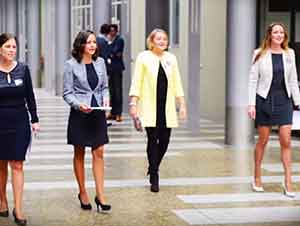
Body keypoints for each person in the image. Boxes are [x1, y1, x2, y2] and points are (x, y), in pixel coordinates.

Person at [129, 28, 186, 192]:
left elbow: (177, 82)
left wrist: (182, 104)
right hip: (148, 106)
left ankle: (153, 165)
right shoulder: (143, 57)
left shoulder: (171, 58)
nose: (162, 41)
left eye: (165, 39)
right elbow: (137, 81)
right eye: (159, 39)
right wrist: (133, 103)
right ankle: (154, 174)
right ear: (151, 41)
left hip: (166, 107)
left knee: (165, 140)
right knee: (152, 139)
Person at [248, 22, 300, 198]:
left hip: (284, 101)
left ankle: (288, 182)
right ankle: (256, 176)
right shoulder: (259, 53)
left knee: (286, 140)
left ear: (284, 36)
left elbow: (293, 79)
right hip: (264, 100)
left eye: (282, 32)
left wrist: (298, 102)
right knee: (263, 140)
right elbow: (253, 80)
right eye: (275, 32)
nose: (279, 35)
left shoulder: (289, 53)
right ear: (269, 35)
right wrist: (251, 104)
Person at [63, 30, 111, 212]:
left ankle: (101, 195)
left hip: (97, 113)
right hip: (80, 114)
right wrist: (78, 105)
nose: (92, 45)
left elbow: (105, 87)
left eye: (94, 42)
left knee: (99, 152)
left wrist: (106, 99)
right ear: (81, 45)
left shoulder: (100, 63)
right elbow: (67, 93)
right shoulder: (70, 65)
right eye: (89, 42)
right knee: (80, 153)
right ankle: (83, 191)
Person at [0, 33, 39, 226]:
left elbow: (30, 96)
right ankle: (2, 201)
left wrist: (35, 119)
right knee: (1, 165)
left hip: (19, 122)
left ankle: (19, 208)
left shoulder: (23, 69)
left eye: (14, 47)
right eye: (7, 46)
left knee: (17, 164)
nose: (11, 50)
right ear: (0, 49)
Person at [106, 24, 125, 122]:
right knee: (112, 91)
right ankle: (112, 112)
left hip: (117, 69)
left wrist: (111, 53)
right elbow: (109, 53)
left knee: (118, 91)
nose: (111, 32)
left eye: (113, 30)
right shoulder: (110, 40)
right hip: (110, 69)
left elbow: (115, 52)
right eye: (110, 31)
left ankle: (118, 114)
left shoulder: (119, 40)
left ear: (116, 31)